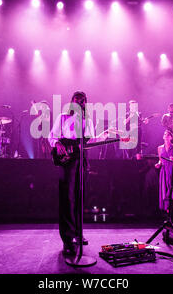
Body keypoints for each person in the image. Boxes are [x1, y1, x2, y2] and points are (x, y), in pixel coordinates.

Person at [48, 91, 108, 256]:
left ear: (84, 103)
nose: (79, 103)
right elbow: (51, 136)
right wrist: (57, 143)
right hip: (67, 159)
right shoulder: (62, 117)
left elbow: (90, 141)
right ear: (71, 102)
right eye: (76, 100)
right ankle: (67, 240)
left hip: (81, 158)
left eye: (82, 101)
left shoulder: (86, 120)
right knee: (67, 198)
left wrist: (102, 136)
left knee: (79, 197)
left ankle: (77, 233)